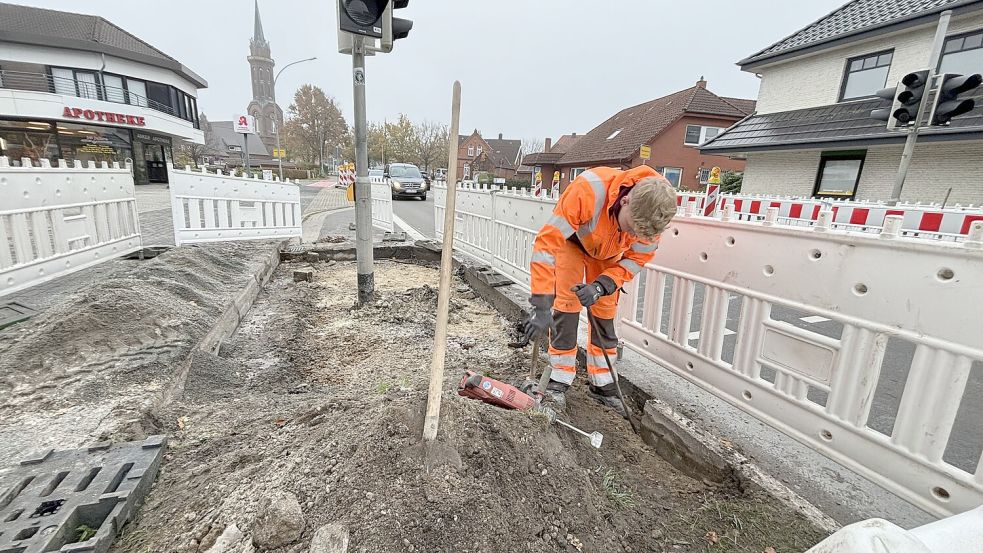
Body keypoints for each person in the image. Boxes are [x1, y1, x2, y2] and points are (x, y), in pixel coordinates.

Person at [523, 166, 677, 413]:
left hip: (609, 254)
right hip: (573, 242)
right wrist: (541, 303)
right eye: (631, 227)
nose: (633, 234)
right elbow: (546, 245)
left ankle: (603, 382)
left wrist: (600, 287)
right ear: (625, 200)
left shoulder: (652, 218)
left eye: (638, 234)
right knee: (567, 305)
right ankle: (559, 378)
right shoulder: (588, 190)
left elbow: (635, 260)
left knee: (605, 312)